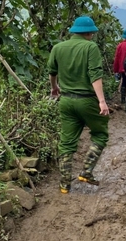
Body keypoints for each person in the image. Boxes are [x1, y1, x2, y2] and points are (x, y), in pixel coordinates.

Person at [47, 16, 110, 194]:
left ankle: (64, 184)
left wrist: (54, 88)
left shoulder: (58, 48)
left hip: (66, 101)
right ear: (89, 32)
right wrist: (102, 101)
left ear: (74, 31)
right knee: (100, 134)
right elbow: (95, 75)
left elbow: (52, 72)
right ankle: (86, 171)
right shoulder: (90, 47)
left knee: (66, 143)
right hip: (87, 100)